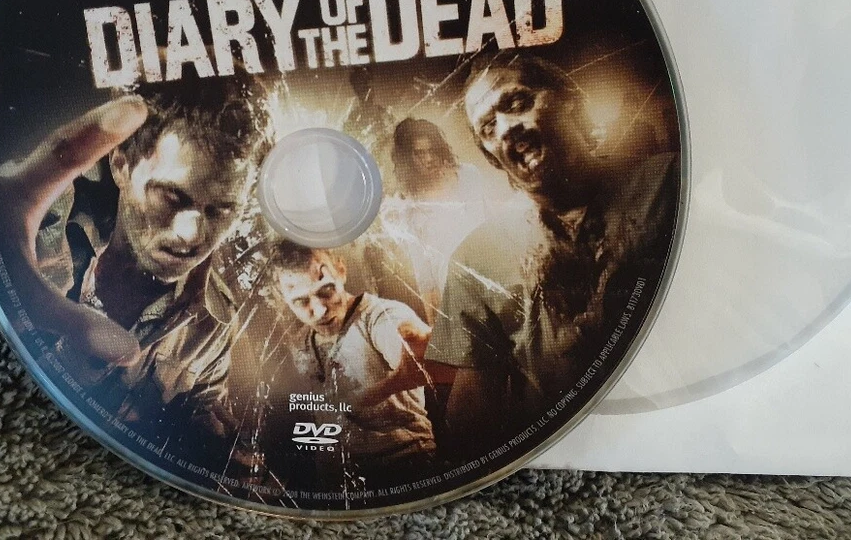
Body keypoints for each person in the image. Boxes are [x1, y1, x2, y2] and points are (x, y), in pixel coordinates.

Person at [0, 70, 271, 456]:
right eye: (172, 196)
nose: (191, 234)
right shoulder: (36, 232)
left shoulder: (215, 322)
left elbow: (201, 409)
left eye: (221, 210)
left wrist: (213, 440)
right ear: (122, 164)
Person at [425, 52, 680, 455]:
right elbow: (472, 415)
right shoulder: (475, 258)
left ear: (570, 100)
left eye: (517, 102)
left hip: (679, 426)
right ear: (492, 157)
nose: (506, 128)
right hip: (566, 456)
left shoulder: (670, 183)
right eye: (488, 127)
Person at [269, 239, 435, 487]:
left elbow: (408, 341)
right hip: (336, 487)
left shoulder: (380, 316)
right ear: (281, 296)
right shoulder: (300, 342)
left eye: (326, 290)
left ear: (341, 270)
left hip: (404, 470)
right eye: (301, 301)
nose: (320, 310)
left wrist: (413, 345)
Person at [380, 117, 488, 324]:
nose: (429, 158)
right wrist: (435, 327)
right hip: (456, 296)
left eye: (432, 150)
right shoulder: (408, 208)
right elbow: (425, 277)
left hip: (492, 276)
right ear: (407, 159)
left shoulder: (468, 176)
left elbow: (487, 226)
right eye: (420, 153)